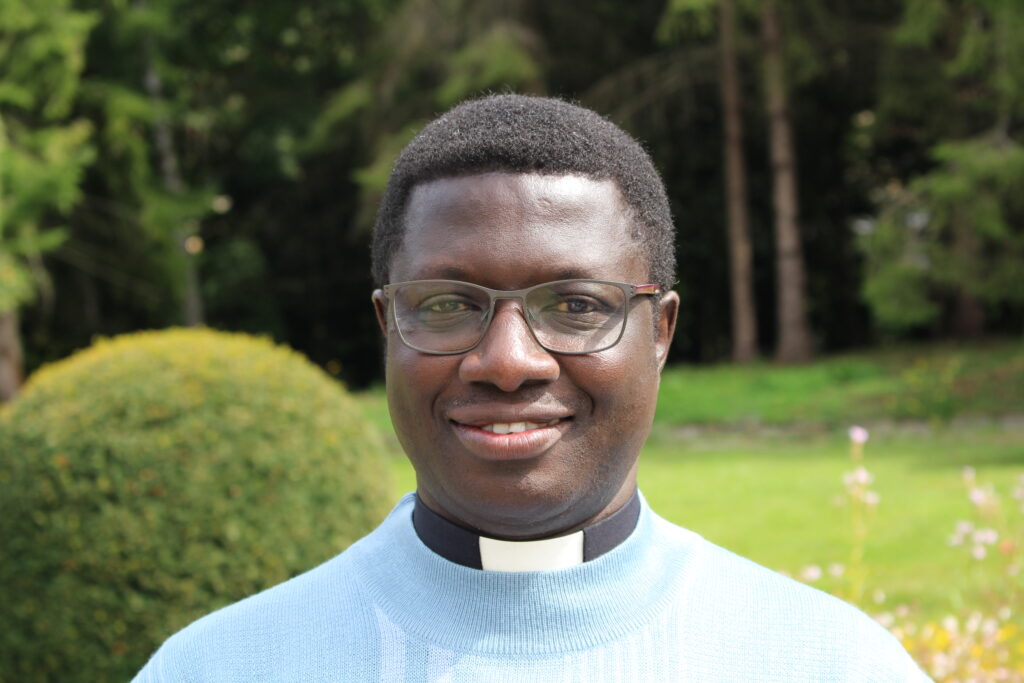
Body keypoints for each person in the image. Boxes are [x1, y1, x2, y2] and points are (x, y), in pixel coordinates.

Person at [134, 94, 929, 681]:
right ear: (387, 325)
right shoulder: (220, 667)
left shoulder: (828, 662)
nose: (509, 361)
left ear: (660, 332)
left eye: (576, 305)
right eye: (448, 304)